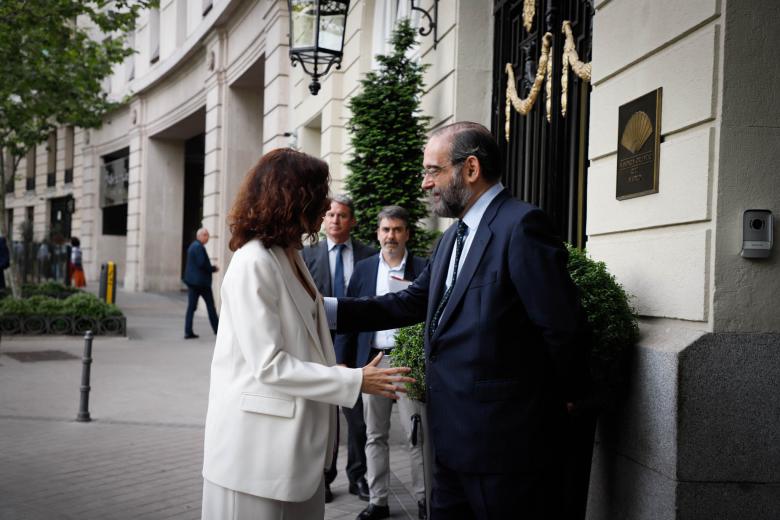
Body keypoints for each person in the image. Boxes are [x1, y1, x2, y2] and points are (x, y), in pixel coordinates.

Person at [329, 122, 590, 519]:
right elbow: (409, 303)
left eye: (433, 171)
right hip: (449, 444)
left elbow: (561, 327)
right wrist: (325, 309)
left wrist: (561, 405)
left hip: (505, 451)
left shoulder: (521, 226)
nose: (425, 183)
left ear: (470, 169)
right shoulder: (451, 239)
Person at [201, 148, 414, 520]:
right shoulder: (254, 261)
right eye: (320, 193)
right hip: (256, 457)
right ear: (293, 197)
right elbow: (270, 365)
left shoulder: (288, 253)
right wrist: (355, 379)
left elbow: (311, 312)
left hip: (291, 453)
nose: (327, 204)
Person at [335, 206, 428, 520]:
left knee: (417, 433)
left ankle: (424, 501)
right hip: (372, 361)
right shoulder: (363, 270)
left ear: (407, 234)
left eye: (398, 229)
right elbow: (350, 315)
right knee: (374, 434)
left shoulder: (422, 268)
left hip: (407, 362)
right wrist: (343, 361)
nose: (392, 236)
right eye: (386, 230)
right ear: (378, 234)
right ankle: (378, 501)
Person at [302, 194, 375, 502]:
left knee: (356, 417)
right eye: (330, 214)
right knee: (323, 415)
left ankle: (358, 477)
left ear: (352, 221)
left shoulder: (368, 256)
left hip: (356, 346)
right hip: (319, 345)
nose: (334, 220)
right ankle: (325, 478)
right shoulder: (306, 256)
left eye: (342, 215)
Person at [182, 228, 219, 339]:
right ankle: (217, 329)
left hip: (194, 283)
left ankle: (188, 332)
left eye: (207, 235)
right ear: (199, 236)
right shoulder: (198, 247)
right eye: (205, 235)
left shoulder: (194, 246)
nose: (207, 237)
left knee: (191, 307)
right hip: (201, 283)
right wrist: (213, 268)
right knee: (210, 307)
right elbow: (202, 263)